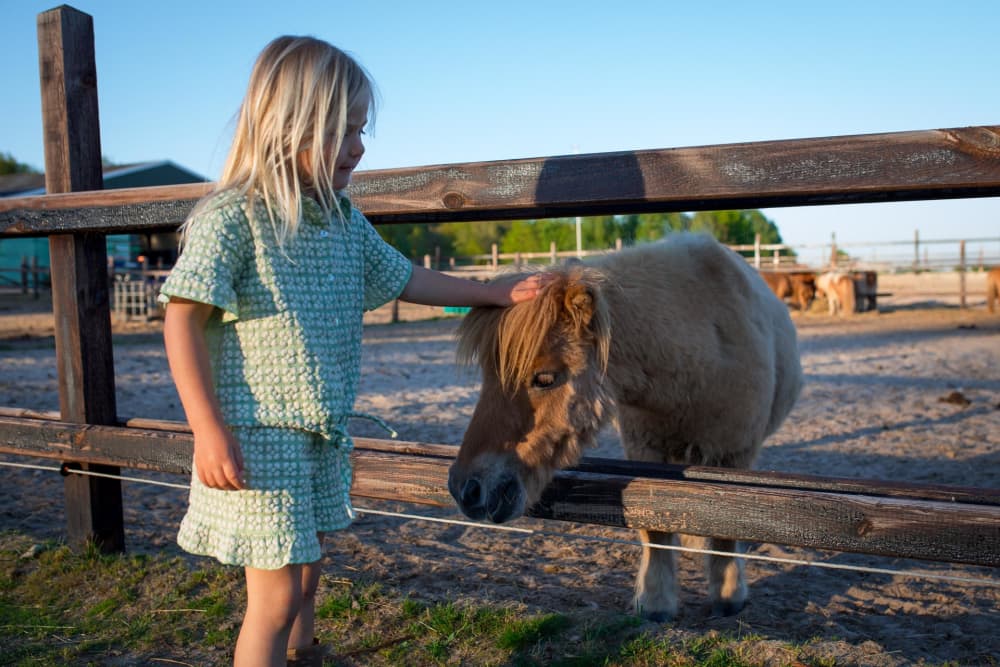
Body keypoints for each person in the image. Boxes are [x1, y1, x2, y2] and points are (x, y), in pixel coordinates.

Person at [159, 35, 545, 667]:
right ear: (286, 125)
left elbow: (408, 278)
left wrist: (494, 292)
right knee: (275, 597)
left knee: (308, 571)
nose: (358, 148)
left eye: (361, 131)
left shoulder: (342, 218)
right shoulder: (233, 218)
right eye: (340, 131)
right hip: (257, 438)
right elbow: (182, 319)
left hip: (319, 433)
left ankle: (306, 655)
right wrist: (206, 428)